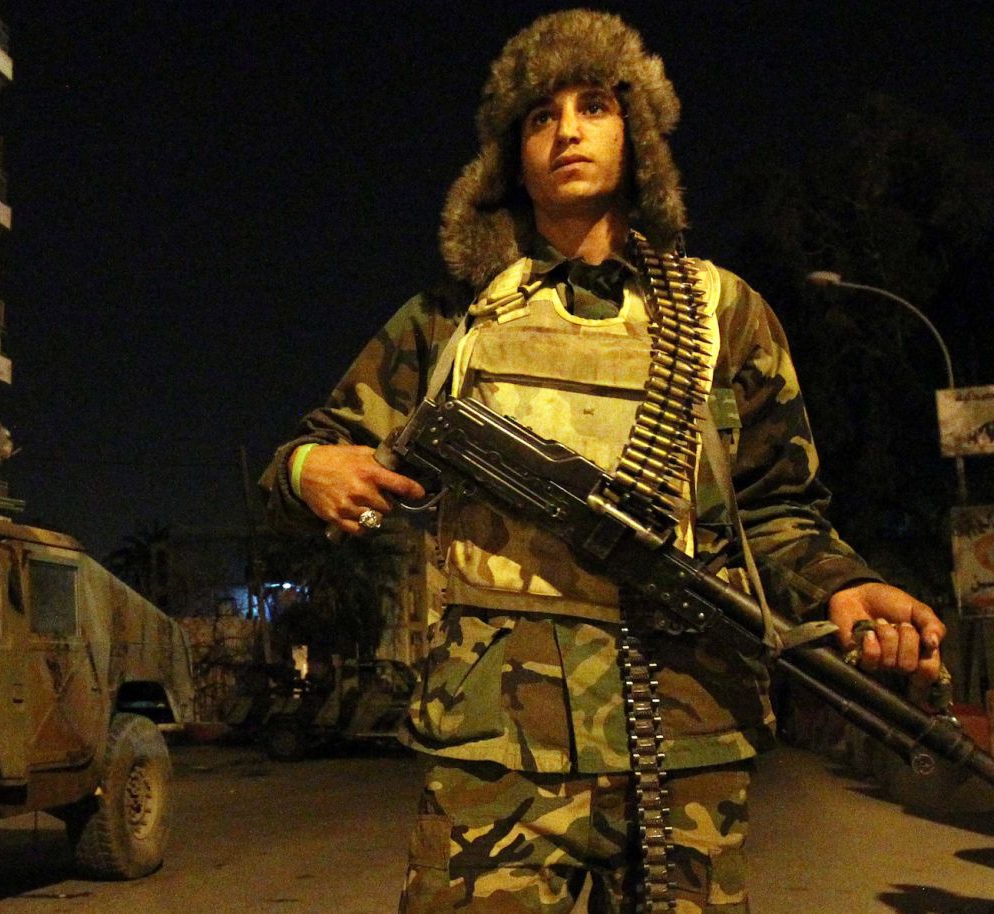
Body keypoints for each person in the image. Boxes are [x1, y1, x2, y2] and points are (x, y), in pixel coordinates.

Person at [260, 11, 946, 913]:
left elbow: (777, 507)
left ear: (640, 138)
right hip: (496, 743)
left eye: (595, 106)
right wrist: (311, 470)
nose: (569, 131)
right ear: (512, 154)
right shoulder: (452, 318)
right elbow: (310, 450)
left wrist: (840, 588)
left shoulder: (722, 314)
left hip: (689, 722)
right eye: (541, 116)